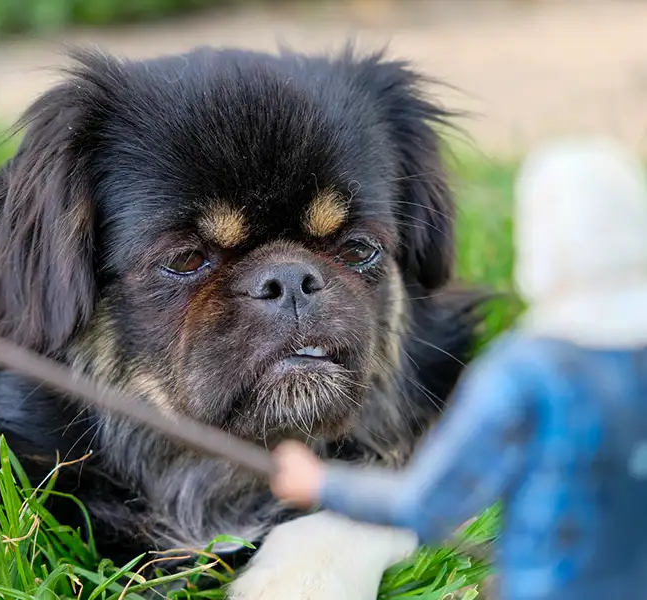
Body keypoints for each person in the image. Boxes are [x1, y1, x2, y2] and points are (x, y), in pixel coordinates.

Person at [270, 137, 647, 600]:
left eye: (355, 249)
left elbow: (427, 503)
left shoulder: (523, 374)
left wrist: (322, 484)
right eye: (187, 260)